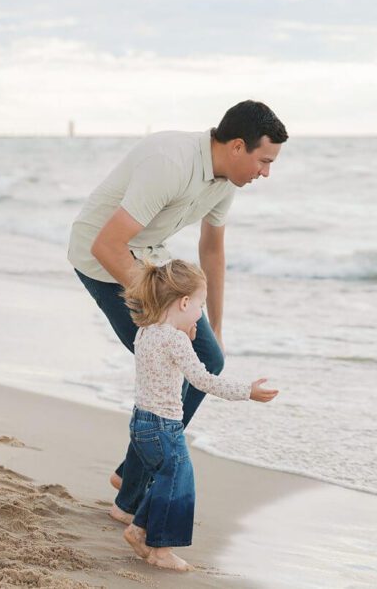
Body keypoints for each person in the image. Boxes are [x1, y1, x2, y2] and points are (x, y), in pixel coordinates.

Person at [67, 99, 287, 521]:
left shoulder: (225, 181)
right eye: (264, 160)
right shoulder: (171, 161)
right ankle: (131, 495)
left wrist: (215, 327)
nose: (265, 172)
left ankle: (130, 476)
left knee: (209, 358)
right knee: (164, 358)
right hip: (102, 258)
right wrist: (166, 319)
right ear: (237, 146)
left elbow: (212, 251)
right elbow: (106, 245)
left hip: (150, 255)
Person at [119, 259, 278, 571]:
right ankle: (161, 552)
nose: (199, 315)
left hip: (140, 423)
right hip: (164, 426)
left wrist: (184, 338)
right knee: (179, 482)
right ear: (185, 302)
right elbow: (204, 380)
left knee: (166, 479)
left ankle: (139, 531)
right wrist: (248, 391)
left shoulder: (146, 331)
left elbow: (160, 364)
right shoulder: (175, 339)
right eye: (200, 307)